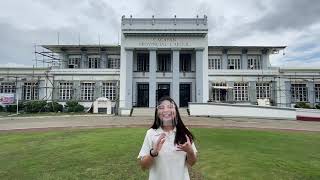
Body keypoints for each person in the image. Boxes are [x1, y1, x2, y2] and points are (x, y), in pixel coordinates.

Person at [137, 96, 197, 180]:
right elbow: (143, 166)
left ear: (176, 111)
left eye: (170, 107)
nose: (166, 110)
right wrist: (153, 153)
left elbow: (192, 163)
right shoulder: (151, 133)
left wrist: (190, 151)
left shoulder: (184, 132)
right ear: (157, 113)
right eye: (161, 107)